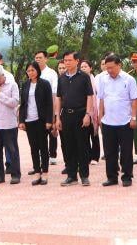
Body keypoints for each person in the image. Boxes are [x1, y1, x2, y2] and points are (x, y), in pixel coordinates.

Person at [97, 54, 137, 187]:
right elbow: (102, 99)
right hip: (108, 121)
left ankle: (127, 176)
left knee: (126, 151)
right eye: (107, 68)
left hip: (125, 121)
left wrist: (133, 118)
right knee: (110, 152)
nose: (109, 70)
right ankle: (111, 177)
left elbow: (134, 100)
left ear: (119, 65)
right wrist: (100, 118)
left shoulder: (129, 79)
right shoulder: (103, 80)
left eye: (112, 67)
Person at [54, 51, 95, 186]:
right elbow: (58, 98)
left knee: (82, 146)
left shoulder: (84, 77)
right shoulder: (61, 78)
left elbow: (89, 96)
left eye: (69, 60)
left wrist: (88, 114)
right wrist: (57, 117)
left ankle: (84, 175)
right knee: (68, 146)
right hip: (66, 115)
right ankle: (71, 176)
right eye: (65, 60)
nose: (67, 63)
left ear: (77, 61)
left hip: (81, 114)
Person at [19, 61, 53, 185]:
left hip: (41, 120)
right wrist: (21, 120)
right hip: (29, 120)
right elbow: (23, 104)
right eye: (28, 71)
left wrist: (49, 120)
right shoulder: (25, 84)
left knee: (43, 147)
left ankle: (45, 172)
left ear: (38, 70)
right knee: (33, 148)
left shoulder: (44, 84)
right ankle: (37, 172)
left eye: (33, 70)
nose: (30, 73)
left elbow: (49, 103)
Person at [34, 50, 60, 165]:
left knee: (51, 130)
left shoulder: (51, 73)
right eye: (36, 58)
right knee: (39, 133)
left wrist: (54, 112)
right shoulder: (32, 73)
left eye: (40, 57)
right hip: (36, 109)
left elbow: (55, 94)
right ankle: (41, 156)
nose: (38, 60)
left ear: (46, 59)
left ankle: (52, 154)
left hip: (49, 106)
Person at [79, 59, 101, 164]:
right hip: (84, 110)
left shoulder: (96, 80)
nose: (83, 68)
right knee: (84, 135)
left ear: (91, 68)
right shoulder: (80, 80)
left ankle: (95, 157)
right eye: (82, 67)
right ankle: (87, 156)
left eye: (85, 66)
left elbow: (99, 96)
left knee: (94, 134)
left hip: (95, 111)